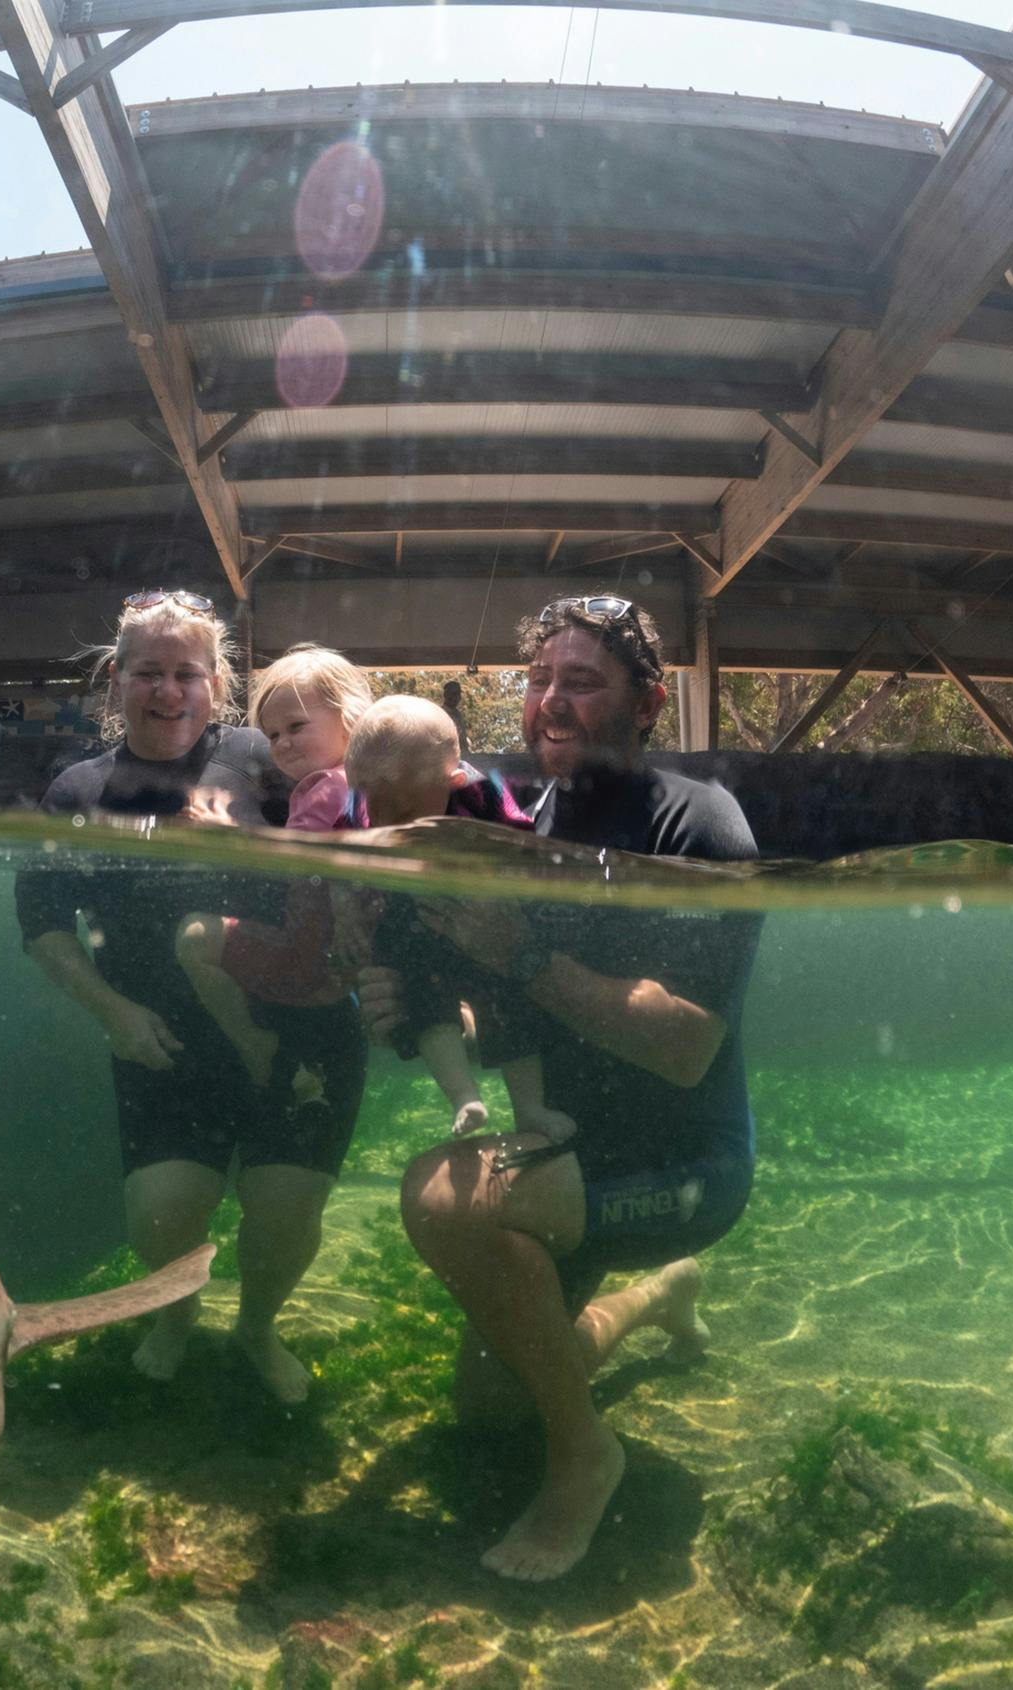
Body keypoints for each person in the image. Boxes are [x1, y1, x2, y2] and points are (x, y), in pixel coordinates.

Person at [361, 594, 761, 1583]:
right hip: (566, 1149)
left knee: (437, 1196)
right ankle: (659, 1297)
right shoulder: (515, 820)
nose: (550, 702)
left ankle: (587, 1458)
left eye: (581, 682)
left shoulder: (698, 825)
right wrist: (413, 1011)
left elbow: (684, 1049)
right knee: (491, 1407)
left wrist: (521, 950)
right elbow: (495, 1008)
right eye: (539, 682)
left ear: (646, 701)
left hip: (687, 1163)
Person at [16, 593, 367, 1405]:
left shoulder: (268, 757)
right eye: (148, 673)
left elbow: (360, 816)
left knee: (283, 1215)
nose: (168, 692)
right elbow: (39, 922)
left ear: (217, 682)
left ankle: (256, 1325)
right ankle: (173, 1316)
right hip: (161, 1043)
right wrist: (113, 1012)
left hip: (299, 1035)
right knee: (163, 1214)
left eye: (186, 674)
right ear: (116, 678)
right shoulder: (77, 790)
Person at [341, 695, 574, 1146]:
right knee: (420, 995)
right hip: (408, 917)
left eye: (404, 812)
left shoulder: (483, 792)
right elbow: (341, 861)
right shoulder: (359, 805)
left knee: (517, 998)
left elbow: (520, 842)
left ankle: (531, 1108)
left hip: (479, 911)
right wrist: (348, 909)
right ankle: (463, 1096)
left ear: (454, 780)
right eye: (376, 808)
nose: (389, 825)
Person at [175, 644, 373, 1087]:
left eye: (296, 727)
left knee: (193, 939)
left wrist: (229, 834)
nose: (281, 743)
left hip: (309, 961)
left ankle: (251, 1040)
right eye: (273, 734)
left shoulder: (326, 788)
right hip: (344, 972)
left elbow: (290, 858)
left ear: (351, 716)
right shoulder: (363, 786)